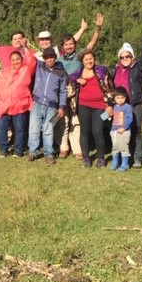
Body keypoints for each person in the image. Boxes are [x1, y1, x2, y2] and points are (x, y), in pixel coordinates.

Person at [56, 13, 104, 159]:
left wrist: (98, 28)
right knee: (63, 121)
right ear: (63, 46)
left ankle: (77, 149)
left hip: (77, 95)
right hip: (63, 94)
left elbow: (91, 44)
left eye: (71, 44)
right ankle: (63, 147)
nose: (69, 46)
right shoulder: (58, 60)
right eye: (66, 44)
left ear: (75, 45)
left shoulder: (79, 56)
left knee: (76, 122)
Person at [110, 26, 142, 168]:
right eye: (122, 57)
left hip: (134, 104)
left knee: (136, 129)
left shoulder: (137, 67)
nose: (125, 59)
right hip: (120, 106)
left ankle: (137, 158)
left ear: (132, 57)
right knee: (120, 130)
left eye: (127, 56)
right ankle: (123, 156)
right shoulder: (115, 69)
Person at [69, 48, 113, 169]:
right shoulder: (78, 73)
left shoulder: (102, 70)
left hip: (100, 106)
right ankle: (86, 158)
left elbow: (110, 87)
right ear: (82, 61)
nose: (89, 61)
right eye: (86, 59)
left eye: (91, 58)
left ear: (94, 59)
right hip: (83, 106)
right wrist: (77, 81)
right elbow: (69, 81)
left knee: (98, 131)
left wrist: (110, 105)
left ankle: (100, 158)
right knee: (84, 132)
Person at [0, 50, 37, 158]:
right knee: (1, 128)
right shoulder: (4, 71)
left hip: (20, 105)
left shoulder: (26, 70)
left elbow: (32, 61)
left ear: (22, 59)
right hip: (3, 105)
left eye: (18, 59)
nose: (15, 62)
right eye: (13, 60)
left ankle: (18, 150)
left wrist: (25, 47)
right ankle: (3, 150)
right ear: (10, 61)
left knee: (20, 128)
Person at [27, 48, 67, 165]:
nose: (49, 59)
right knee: (33, 129)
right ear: (43, 59)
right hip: (37, 103)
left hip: (52, 106)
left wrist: (61, 107)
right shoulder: (39, 66)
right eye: (46, 57)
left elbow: (63, 91)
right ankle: (32, 151)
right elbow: (31, 56)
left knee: (48, 130)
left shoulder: (61, 72)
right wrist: (24, 45)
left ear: (55, 57)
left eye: (51, 57)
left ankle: (49, 153)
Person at [109, 87, 133, 172]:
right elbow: (104, 117)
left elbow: (130, 118)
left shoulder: (128, 107)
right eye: (117, 98)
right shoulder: (112, 107)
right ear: (114, 98)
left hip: (124, 131)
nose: (120, 100)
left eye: (122, 98)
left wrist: (124, 127)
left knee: (124, 147)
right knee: (115, 147)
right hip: (114, 131)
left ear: (126, 97)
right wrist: (107, 114)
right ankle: (115, 163)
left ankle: (125, 164)